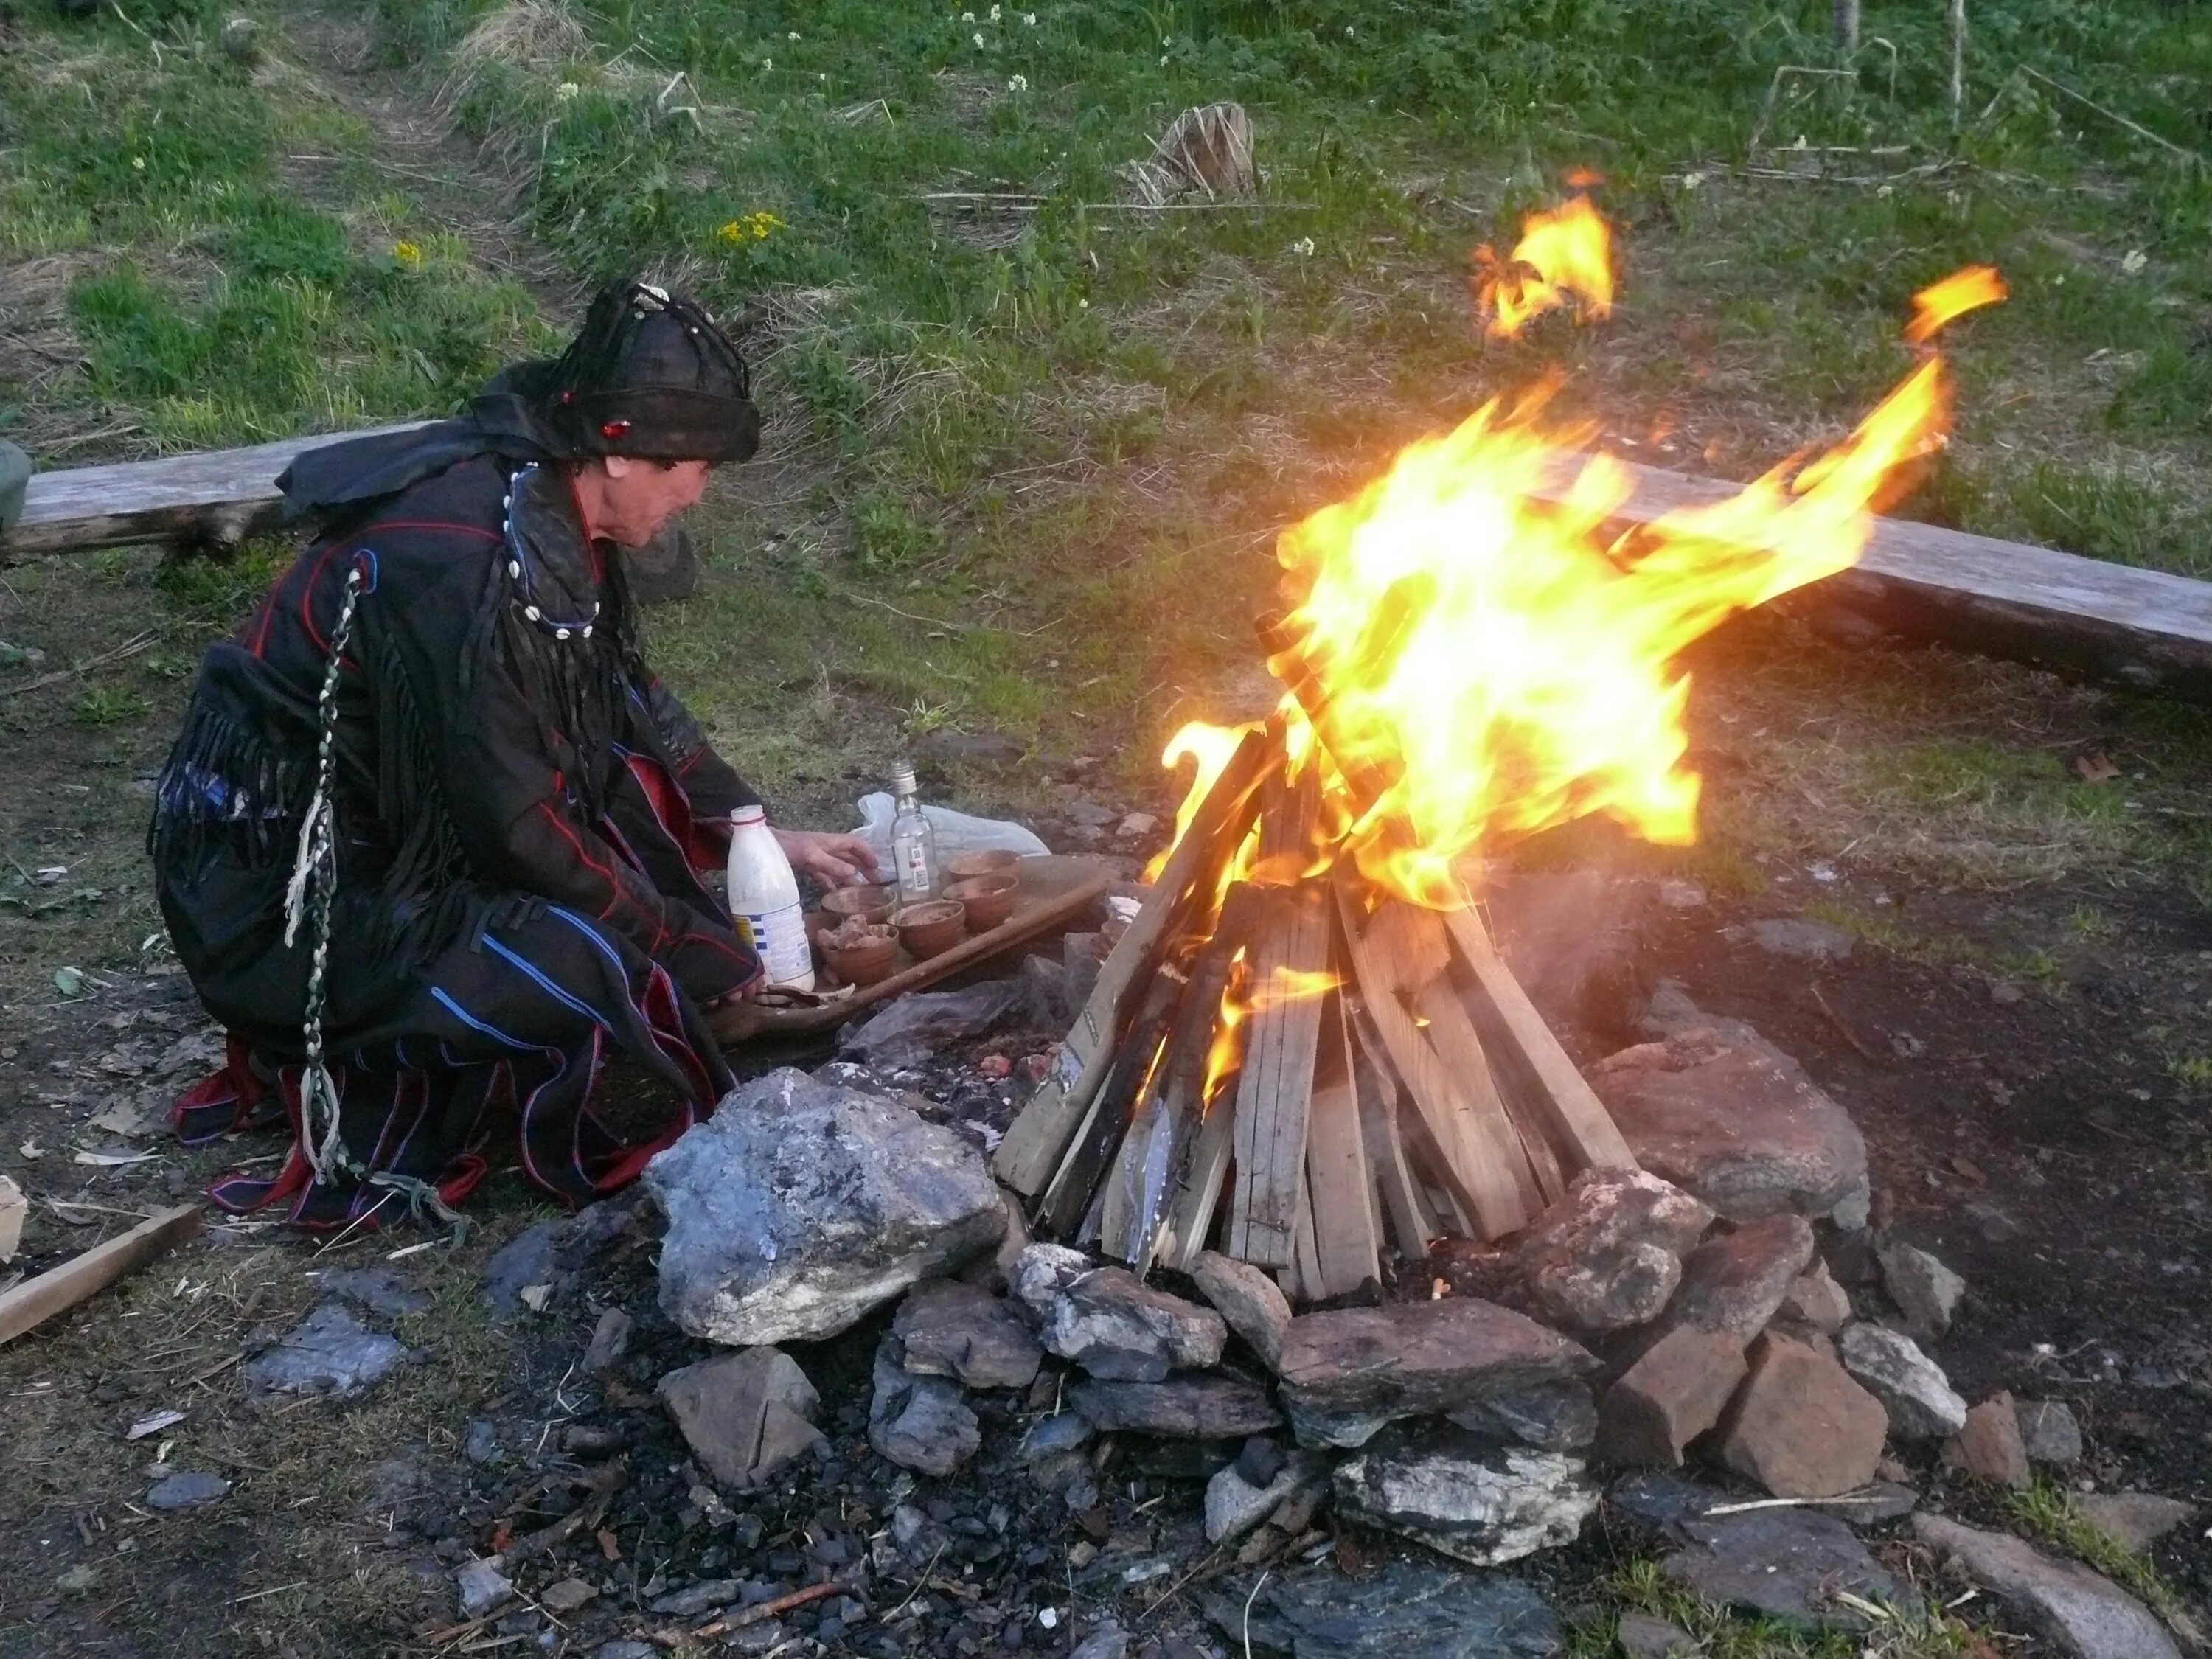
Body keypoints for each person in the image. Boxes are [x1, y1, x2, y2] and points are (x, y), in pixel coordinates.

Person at [151, 278, 877, 1228]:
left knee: (648, 860)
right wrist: (685, 952)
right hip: (287, 894)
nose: (698, 491)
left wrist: (752, 832)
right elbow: (511, 824)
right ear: (617, 455)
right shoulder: (460, 566)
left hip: (391, 829)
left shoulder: (549, 500)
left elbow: (620, 698)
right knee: (588, 963)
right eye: (690, 466)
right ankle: (363, 1030)